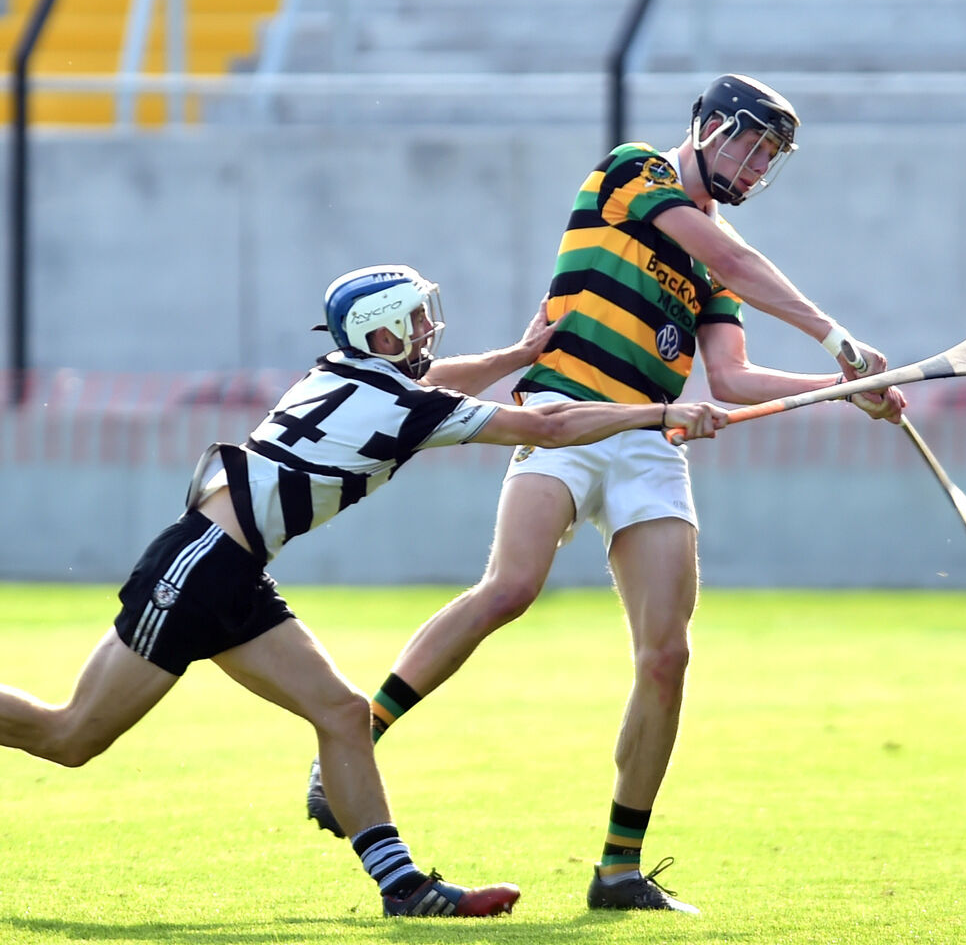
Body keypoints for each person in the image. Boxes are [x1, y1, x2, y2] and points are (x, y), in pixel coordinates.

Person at [305, 74, 907, 913]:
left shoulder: (713, 267)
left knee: (667, 657)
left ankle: (619, 870)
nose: (755, 165)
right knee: (511, 588)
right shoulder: (635, 172)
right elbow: (733, 258)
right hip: (563, 414)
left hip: (650, 442)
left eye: (769, 156)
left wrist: (844, 388)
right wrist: (836, 337)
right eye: (747, 143)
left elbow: (732, 379)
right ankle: (355, 739)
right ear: (706, 127)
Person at [0, 263, 727, 919]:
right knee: (71, 737)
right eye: (410, 320)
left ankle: (404, 890)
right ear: (377, 335)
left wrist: (515, 356)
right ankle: (404, 887)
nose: (426, 329)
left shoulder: (346, 372)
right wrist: (661, 412)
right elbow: (549, 423)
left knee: (344, 714)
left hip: (234, 572)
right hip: (198, 570)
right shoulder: (402, 404)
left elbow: (441, 382)